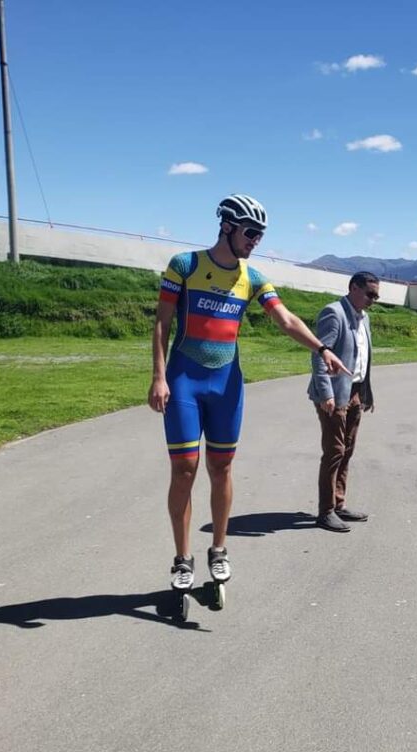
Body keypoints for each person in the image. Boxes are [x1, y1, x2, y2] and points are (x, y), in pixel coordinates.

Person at [148, 194, 346, 591]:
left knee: (221, 468)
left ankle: (218, 550)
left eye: (260, 235)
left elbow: (285, 319)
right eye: (250, 232)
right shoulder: (185, 265)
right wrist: (159, 376)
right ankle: (183, 558)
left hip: (227, 384)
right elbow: (162, 322)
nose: (255, 241)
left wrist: (322, 349)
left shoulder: (253, 278)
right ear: (227, 226)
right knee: (184, 469)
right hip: (184, 379)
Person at [307, 272, 379, 532]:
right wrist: (327, 394)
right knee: (335, 450)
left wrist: (366, 394)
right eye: (370, 294)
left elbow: (362, 358)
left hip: (355, 390)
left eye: (376, 296)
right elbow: (319, 355)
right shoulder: (333, 313)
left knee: (347, 448)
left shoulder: (364, 317)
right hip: (335, 394)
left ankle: (338, 503)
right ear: (353, 288)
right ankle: (325, 511)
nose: (373, 300)